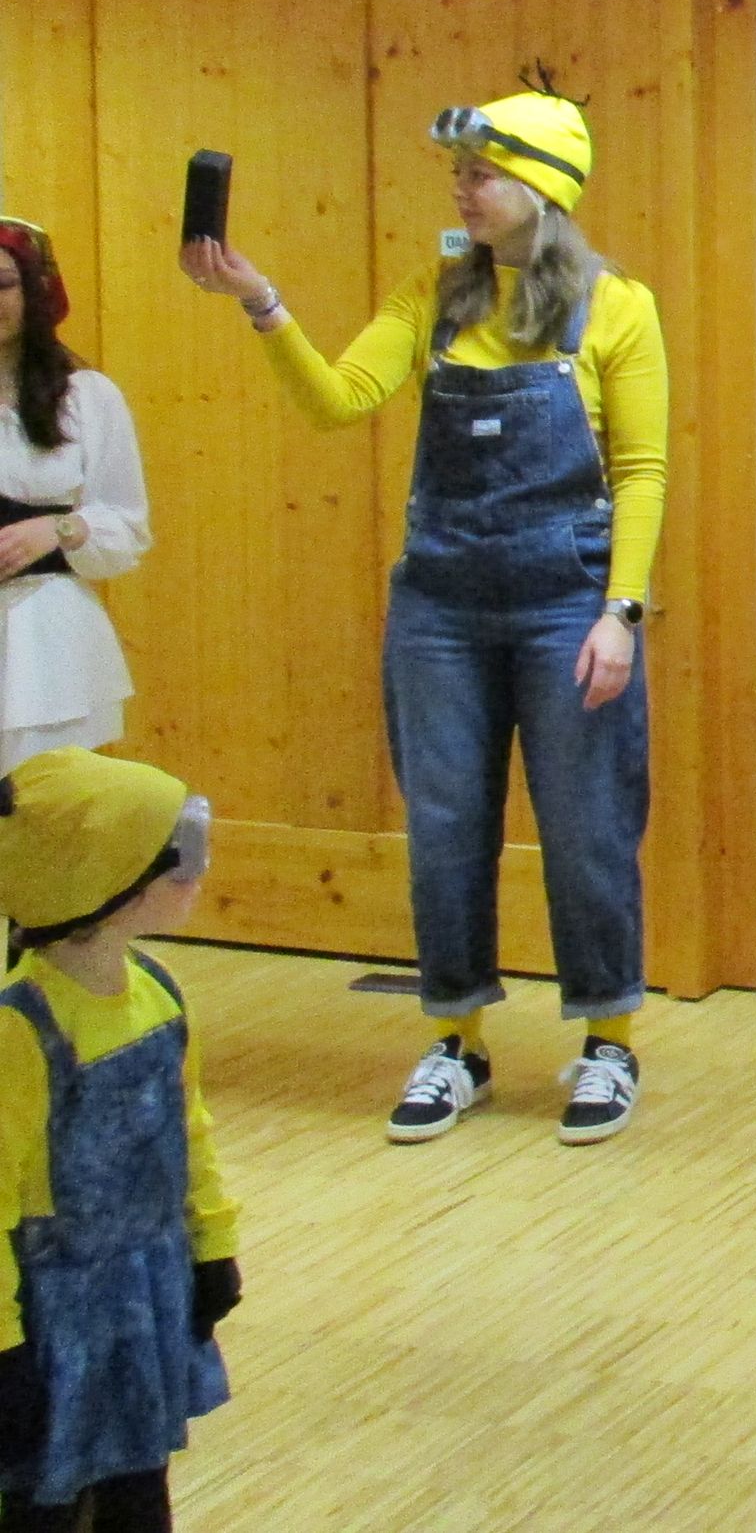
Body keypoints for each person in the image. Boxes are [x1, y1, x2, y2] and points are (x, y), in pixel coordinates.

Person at [180, 81, 667, 1149]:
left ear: (542, 188)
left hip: (567, 606)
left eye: (481, 173)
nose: (462, 189)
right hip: (439, 607)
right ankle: (457, 1043)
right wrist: (261, 302)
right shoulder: (433, 294)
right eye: (460, 172)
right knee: (445, 830)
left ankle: (609, 1041)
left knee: (588, 827)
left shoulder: (618, 307)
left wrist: (621, 613)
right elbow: (337, 401)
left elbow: (641, 471)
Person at [0, 748, 240, 1533]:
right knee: (45, 1500)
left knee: (139, 1490)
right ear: (106, 882)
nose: (198, 871)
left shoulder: (159, 993)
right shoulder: (20, 1030)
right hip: (52, 1315)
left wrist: (211, 1245)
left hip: (146, 1293)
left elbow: (190, 1131)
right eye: (179, 853)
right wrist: (4, 1347)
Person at [0, 222, 150, 775]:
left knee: (46, 805)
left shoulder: (86, 398)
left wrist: (61, 529)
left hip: (48, 649)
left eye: (2, 284)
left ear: (34, 293)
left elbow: (128, 527)